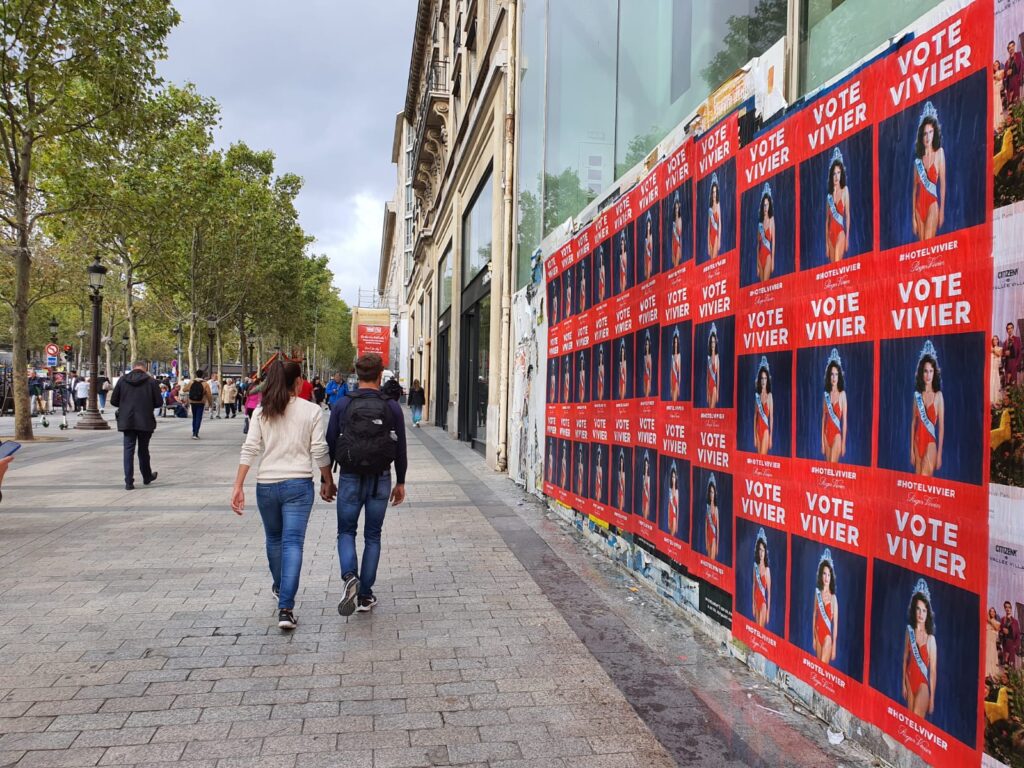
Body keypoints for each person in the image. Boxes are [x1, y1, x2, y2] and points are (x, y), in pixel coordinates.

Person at [232, 360, 335, 631]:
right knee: (292, 543)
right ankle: (286, 608)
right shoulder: (311, 410)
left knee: (274, 539)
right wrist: (328, 479)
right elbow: (320, 450)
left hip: (266, 485)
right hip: (298, 484)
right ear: (298, 383)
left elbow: (250, 449)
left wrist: (238, 485)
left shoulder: (262, 412)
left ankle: (280, 585)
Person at [326, 353, 408, 616]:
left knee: (346, 531)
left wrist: (326, 479)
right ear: (379, 373)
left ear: (356, 373)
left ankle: (350, 575)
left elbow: (329, 442)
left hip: (349, 475)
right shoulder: (391, 406)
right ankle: (364, 595)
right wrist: (401, 480)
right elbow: (401, 447)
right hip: (380, 478)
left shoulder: (342, 404)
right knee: (373, 535)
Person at [110, 361, 163, 491]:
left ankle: (129, 481)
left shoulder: (122, 380)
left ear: (133, 368)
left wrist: (125, 404)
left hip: (127, 420)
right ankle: (146, 476)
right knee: (143, 450)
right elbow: (158, 402)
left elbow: (113, 400)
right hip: (145, 420)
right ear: (145, 369)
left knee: (128, 451)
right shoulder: (151, 382)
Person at [902, 579, 937, 718]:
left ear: (927, 613)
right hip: (909, 680)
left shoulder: (931, 640)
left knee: (916, 716)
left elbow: (933, 670)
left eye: (924, 610)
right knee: (910, 719)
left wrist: (932, 698)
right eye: (918, 609)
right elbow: (905, 658)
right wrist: (902, 684)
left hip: (922, 684)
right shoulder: (908, 631)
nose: (921, 614)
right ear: (914, 610)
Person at [912, 102, 946, 242]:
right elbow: (914, 190)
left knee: (928, 244)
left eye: (930, 132)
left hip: (932, 204)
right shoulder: (917, 162)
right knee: (921, 248)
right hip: (919, 208)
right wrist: (912, 216)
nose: (927, 137)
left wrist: (942, 210)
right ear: (921, 136)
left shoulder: (940, 153)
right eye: (925, 133)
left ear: (934, 133)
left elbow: (943, 183)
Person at [910, 341, 944, 476]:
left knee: (924, 479)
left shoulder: (939, 396)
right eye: (925, 371)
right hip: (917, 442)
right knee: (917, 483)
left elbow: (941, 427)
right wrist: (911, 450)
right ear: (921, 373)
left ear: (935, 373)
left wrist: (940, 454)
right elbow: (913, 423)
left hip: (930, 443)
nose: (928, 375)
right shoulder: (917, 396)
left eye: (931, 371)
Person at [821, 350, 848, 463]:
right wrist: (822, 441)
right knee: (827, 469)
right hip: (826, 435)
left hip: (837, 435)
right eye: (832, 374)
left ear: (839, 376)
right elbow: (823, 419)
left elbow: (845, 421)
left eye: (836, 374)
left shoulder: (842, 395)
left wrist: (843, 443)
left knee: (833, 466)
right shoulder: (826, 395)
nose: (834, 377)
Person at [813, 550, 838, 664]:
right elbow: (814, 614)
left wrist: (834, 647)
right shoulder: (817, 594)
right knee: (818, 667)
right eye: (824, 573)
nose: (826, 577)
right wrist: (814, 637)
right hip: (818, 634)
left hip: (827, 637)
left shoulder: (833, 599)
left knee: (823, 666)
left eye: (829, 574)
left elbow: (835, 625)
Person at [826, 147, 849, 263]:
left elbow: (848, 216)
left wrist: (848, 238)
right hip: (830, 236)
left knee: (837, 263)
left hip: (840, 232)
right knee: (832, 271)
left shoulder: (845, 190)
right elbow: (827, 220)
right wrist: (826, 242)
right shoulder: (829, 196)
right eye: (834, 173)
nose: (836, 176)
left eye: (838, 173)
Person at [754, 356, 773, 455]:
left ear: (767, 380)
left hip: (765, 431)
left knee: (762, 457)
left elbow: (771, 418)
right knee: (758, 459)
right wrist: (754, 436)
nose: (763, 381)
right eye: (762, 378)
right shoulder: (757, 397)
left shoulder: (770, 396)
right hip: (758, 430)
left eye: (765, 378)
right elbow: (755, 417)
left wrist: (770, 437)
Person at [187, 370, 213, 440]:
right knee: (198, 418)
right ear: (202, 375)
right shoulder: (205, 384)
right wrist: (210, 403)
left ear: (196, 374)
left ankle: (193, 432)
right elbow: (209, 395)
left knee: (194, 417)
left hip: (192, 401)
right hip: (201, 402)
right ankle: (196, 433)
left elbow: (184, 389)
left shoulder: (192, 382)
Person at [753, 529, 771, 628]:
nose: (761, 553)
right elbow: (754, 585)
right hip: (756, 600)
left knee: (760, 627)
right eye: (759, 550)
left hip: (763, 603)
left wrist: (768, 611)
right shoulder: (755, 567)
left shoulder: (767, 570)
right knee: (756, 628)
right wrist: (752, 603)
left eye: (763, 550)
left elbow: (769, 593)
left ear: (765, 552)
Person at [757, 182, 775, 282]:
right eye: (764, 205)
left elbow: (774, 242)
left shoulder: (772, 220)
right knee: (761, 288)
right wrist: (756, 264)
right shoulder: (759, 223)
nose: (765, 208)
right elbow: (757, 244)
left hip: (768, 256)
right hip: (760, 257)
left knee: (766, 284)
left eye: (767, 205)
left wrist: (772, 261)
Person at [1000, 600, 1021, 669]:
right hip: (1004, 644)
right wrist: (1003, 632)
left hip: (1012, 644)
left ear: (1011, 608)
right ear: (1004, 609)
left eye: (1009, 607)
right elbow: (1000, 632)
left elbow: (1018, 635)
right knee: (1004, 665)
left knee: (1011, 665)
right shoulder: (1003, 619)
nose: (1007, 608)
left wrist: (1015, 646)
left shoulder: (1015, 621)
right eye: (1006, 607)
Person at [705, 474, 720, 562]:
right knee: (708, 560)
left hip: (714, 538)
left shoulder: (716, 509)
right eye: (710, 492)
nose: (711, 494)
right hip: (708, 536)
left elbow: (717, 529)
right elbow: (705, 526)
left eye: (712, 492)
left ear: (715, 493)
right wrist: (706, 541)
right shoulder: (707, 508)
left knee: (712, 560)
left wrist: (717, 545)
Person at [707, 173, 721, 261]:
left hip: (715, 235)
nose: (714, 194)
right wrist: (708, 242)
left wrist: (719, 239)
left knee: (714, 260)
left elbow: (720, 224)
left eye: (715, 192)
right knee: (711, 261)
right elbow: (708, 226)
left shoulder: (718, 205)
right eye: (713, 192)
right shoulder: (710, 207)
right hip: (710, 235)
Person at [1004, 322, 1022, 388]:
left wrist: (1016, 363)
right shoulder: (1005, 342)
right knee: (1008, 382)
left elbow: (1020, 353)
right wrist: (1004, 353)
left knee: (1014, 382)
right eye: (1008, 329)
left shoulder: (1017, 339)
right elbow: (1004, 354)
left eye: (1011, 328)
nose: (1010, 330)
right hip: (1007, 363)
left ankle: (1014, 397)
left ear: (1013, 329)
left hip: (1014, 362)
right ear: (1007, 330)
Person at [1005, 40, 1024, 105]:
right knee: (1011, 102)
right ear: (1008, 50)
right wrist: (1006, 73)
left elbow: (1022, 67)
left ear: (1014, 46)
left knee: (1017, 100)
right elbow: (1005, 74)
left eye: (1012, 46)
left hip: (1017, 79)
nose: (1011, 48)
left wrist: (1020, 79)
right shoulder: (1007, 62)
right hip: (1010, 82)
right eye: (1009, 47)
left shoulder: (1018, 55)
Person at [706, 324, 720, 409]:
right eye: (711, 342)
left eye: (714, 342)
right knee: (709, 411)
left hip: (714, 387)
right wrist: (707, 391)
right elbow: (707, 377)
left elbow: (718, 376)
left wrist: (717, 391)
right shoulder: (708, 358)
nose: (713, 344)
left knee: (711, 408)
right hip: (709, 387)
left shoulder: (717, 357)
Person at [988, 606, 1003, 680]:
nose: (992, 613)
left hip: (993, 645)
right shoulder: (987, 623)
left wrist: (990, 620)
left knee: (993, 661)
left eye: (993, 611)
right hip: (987, 645)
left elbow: (997, 628)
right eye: (991, 611)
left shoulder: (997, 623)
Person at [671, 191, 684, 267]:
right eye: (675, 208)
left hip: (678, 244)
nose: (676, 210)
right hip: (674, 245)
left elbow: (679, 233)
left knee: (677, 265)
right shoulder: (674, 220)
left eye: (677, 208)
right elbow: (672, 238)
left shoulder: (679, 219)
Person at [666, 462, 679, 537]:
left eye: (674, 477)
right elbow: (668, 505)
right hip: (670, 513)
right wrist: (668, 519)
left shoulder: (677, 492)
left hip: (674, 515)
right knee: (670, 534)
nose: (673, 478)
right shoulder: (669, 490)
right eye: (672, 477)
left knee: (673, 534)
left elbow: (678, 508)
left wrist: (677, 523)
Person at [670, 329, 682, 402]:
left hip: (676, 382)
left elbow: (679, 372)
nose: (676, 344)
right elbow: (671, 372)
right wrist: (671, 387)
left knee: (674, 401)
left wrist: (679, 387)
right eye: (675, 342)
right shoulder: (672, 356)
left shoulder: (679, 356)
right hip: (672, 381)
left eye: (677, 342)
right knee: (672, 401)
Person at [642, 211, 655, 281]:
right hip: (646, 257)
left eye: (649, 225)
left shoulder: (651, 236)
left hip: (649, 257)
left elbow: (651, 249)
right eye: (647, 225)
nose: (648, 227)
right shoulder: (645, 237)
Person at [639, 451, 652, 521]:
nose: (646, 466)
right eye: (645, 465)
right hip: (643, 496)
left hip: (647, 497)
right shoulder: (643, 476)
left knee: (646, 512)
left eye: (647, 465)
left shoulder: (649, 478)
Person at [641, 332, 653, 398]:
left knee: (647, 395)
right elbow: (643, 370)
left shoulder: (650, 357)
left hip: (648, 378)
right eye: (646, 344)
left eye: (648, 344)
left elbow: (650, 370)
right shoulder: (644, 357)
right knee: (645, 395)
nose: (647, 346)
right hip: (645, 377)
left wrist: (650, 382)